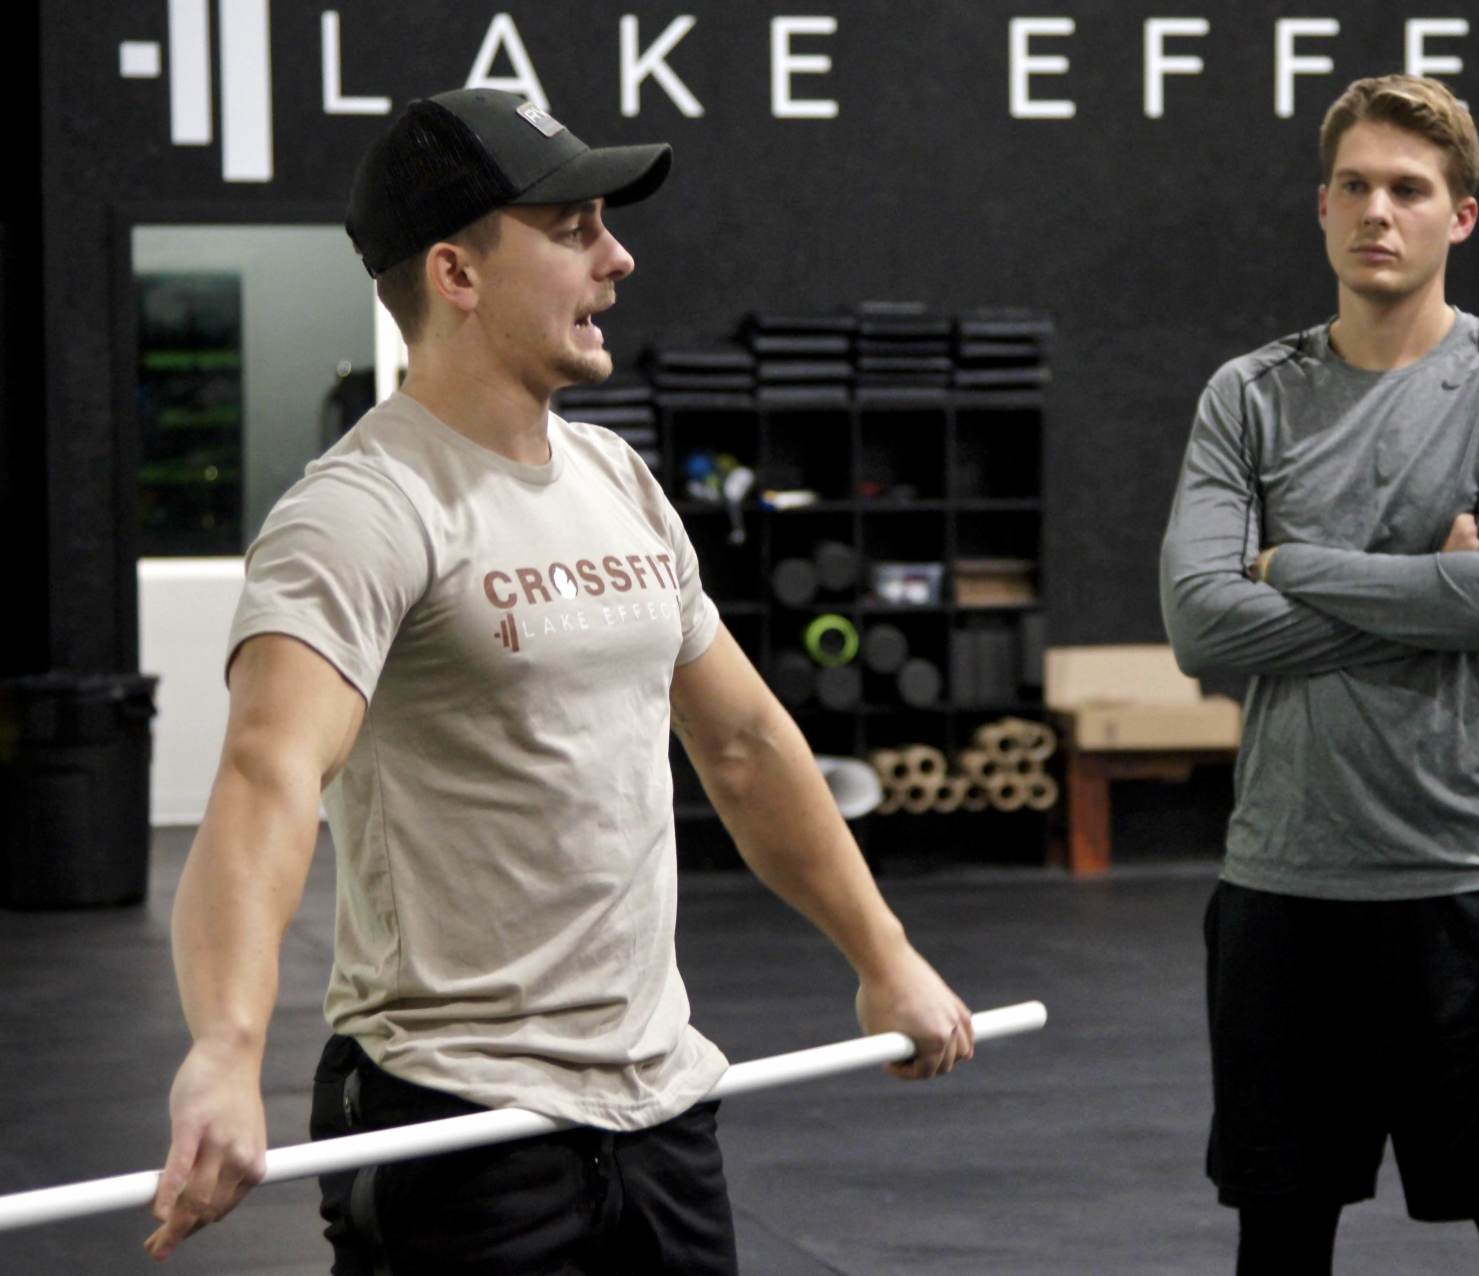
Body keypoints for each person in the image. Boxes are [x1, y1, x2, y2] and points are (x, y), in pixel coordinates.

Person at [143, 88, 974, 1272]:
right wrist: (225, 1049)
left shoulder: (618, 479)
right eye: (574, 227)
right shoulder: (361, 512)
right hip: (459, 1123)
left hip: (661, 1103)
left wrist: (885, 956)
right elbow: (269, 774)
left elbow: (741, 742)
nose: (618, 257)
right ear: (457, 274)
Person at [1159, 75, 1479, 1275]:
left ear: (1459, 216)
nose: (1379, 211)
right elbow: (1202, 626)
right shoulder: (1247, 395)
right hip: (1284, 882)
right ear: (1321, 208)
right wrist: (1430, 597)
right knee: (1281, 1241)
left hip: (1475, 875)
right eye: (1355, 187)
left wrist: (1294, 565)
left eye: (1409, 190)